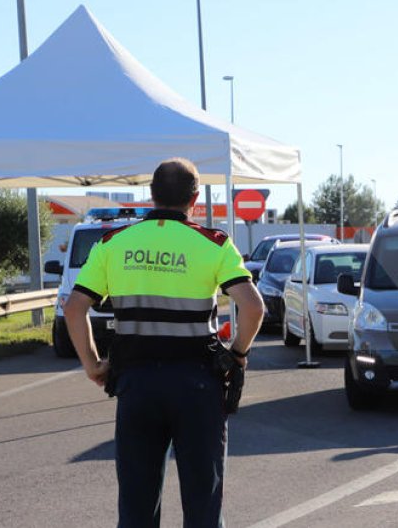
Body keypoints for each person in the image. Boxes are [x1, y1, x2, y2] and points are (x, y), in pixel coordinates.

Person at [64, 157, 264, 527]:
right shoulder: (214, 243)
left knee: (137, 508)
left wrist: (93, 365)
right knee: (203, 505)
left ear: (152, 195)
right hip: (197, 386)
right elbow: (253, 308)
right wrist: (237, 356)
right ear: (195, 199)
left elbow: (74, 309)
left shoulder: (114, 243)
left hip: (136, 384)